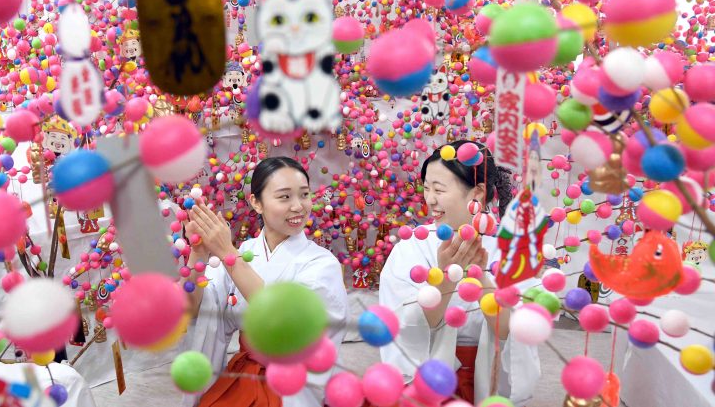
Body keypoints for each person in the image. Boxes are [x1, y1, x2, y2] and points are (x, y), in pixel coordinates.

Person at [379, 140, 541, 406]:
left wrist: (480, 278)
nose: (429, 199)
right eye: (426, 188)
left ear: (477, 193)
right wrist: (444, 276)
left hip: (487, 375)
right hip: (428, 374)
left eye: (439, 189)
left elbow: (514, 330)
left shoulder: (511, 248)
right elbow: (405, 325)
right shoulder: (412, 244)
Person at [181, 157, 348, 407]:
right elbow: (193, 309)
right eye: (284, 197)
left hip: (292, 383)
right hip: (242, 375)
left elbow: (285, 325)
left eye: (304, 195)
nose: (298, 207)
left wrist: (228, 253)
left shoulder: (322, 264)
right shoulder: (246, 252)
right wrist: (199, 252)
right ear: (256, 203)